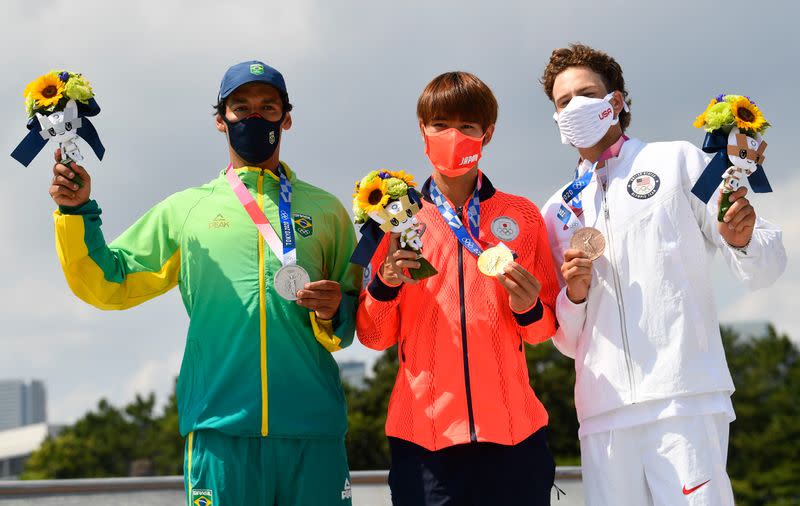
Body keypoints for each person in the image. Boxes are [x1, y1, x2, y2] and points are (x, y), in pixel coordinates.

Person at [49, 60, 361, 506]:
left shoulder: (327, 211)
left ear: (286, 118)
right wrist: (77, 213)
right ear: (221, 120)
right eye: (241, 107)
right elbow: (108, 281)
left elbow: (355, 311)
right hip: (219, 432)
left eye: (267, 107)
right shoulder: (187, 211)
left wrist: (335, 311)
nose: (254, 117)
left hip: (313, 433)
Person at [539, 44, 787, 505]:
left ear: (616, 101)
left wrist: (742, 239)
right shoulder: (555, 211)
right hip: (603, 415)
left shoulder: (680, 161)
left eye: (585, 93)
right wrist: (573, 295)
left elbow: (767, 264)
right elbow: (565, 340)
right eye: (562, 102)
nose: (574, 107)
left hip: (684, 399)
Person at [356, 71, 560, 505]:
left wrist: (527, 309)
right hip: (424, 442)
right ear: (422, 131)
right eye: (440, 124)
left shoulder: (521, 216)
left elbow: (542, 331)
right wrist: (386, 284)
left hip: (514, 438)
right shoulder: (393, 220)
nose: (454, 135)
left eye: (468, 126)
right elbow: (373, 337)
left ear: (488, 133)